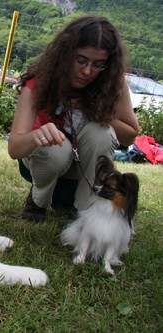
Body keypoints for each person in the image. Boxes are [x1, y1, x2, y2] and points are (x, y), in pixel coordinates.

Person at [7, 15, 139, 222]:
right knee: (56, 147)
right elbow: (14, 149)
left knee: (101, 132)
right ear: (66, 54)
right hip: (44, 162)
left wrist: (96, 109)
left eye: (98, 64)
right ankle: (38, 201)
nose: (87, 71)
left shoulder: (113, 82)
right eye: (81, 60)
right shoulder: (39, 83)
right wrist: (36, 135)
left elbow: (130, 136)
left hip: (85, 167)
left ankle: (82, 212)